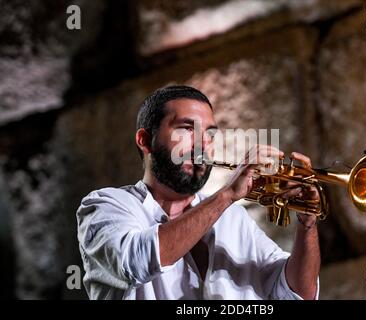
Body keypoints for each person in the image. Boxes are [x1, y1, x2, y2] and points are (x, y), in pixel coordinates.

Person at [76, 85, 320, 300]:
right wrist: (225, 195)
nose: (202, 145)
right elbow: (136, 262)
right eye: (186, 129)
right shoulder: (106, 205)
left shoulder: (233, 219)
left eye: (210, 134)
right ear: (145, 140)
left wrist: (307, 224)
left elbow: (296, 293)